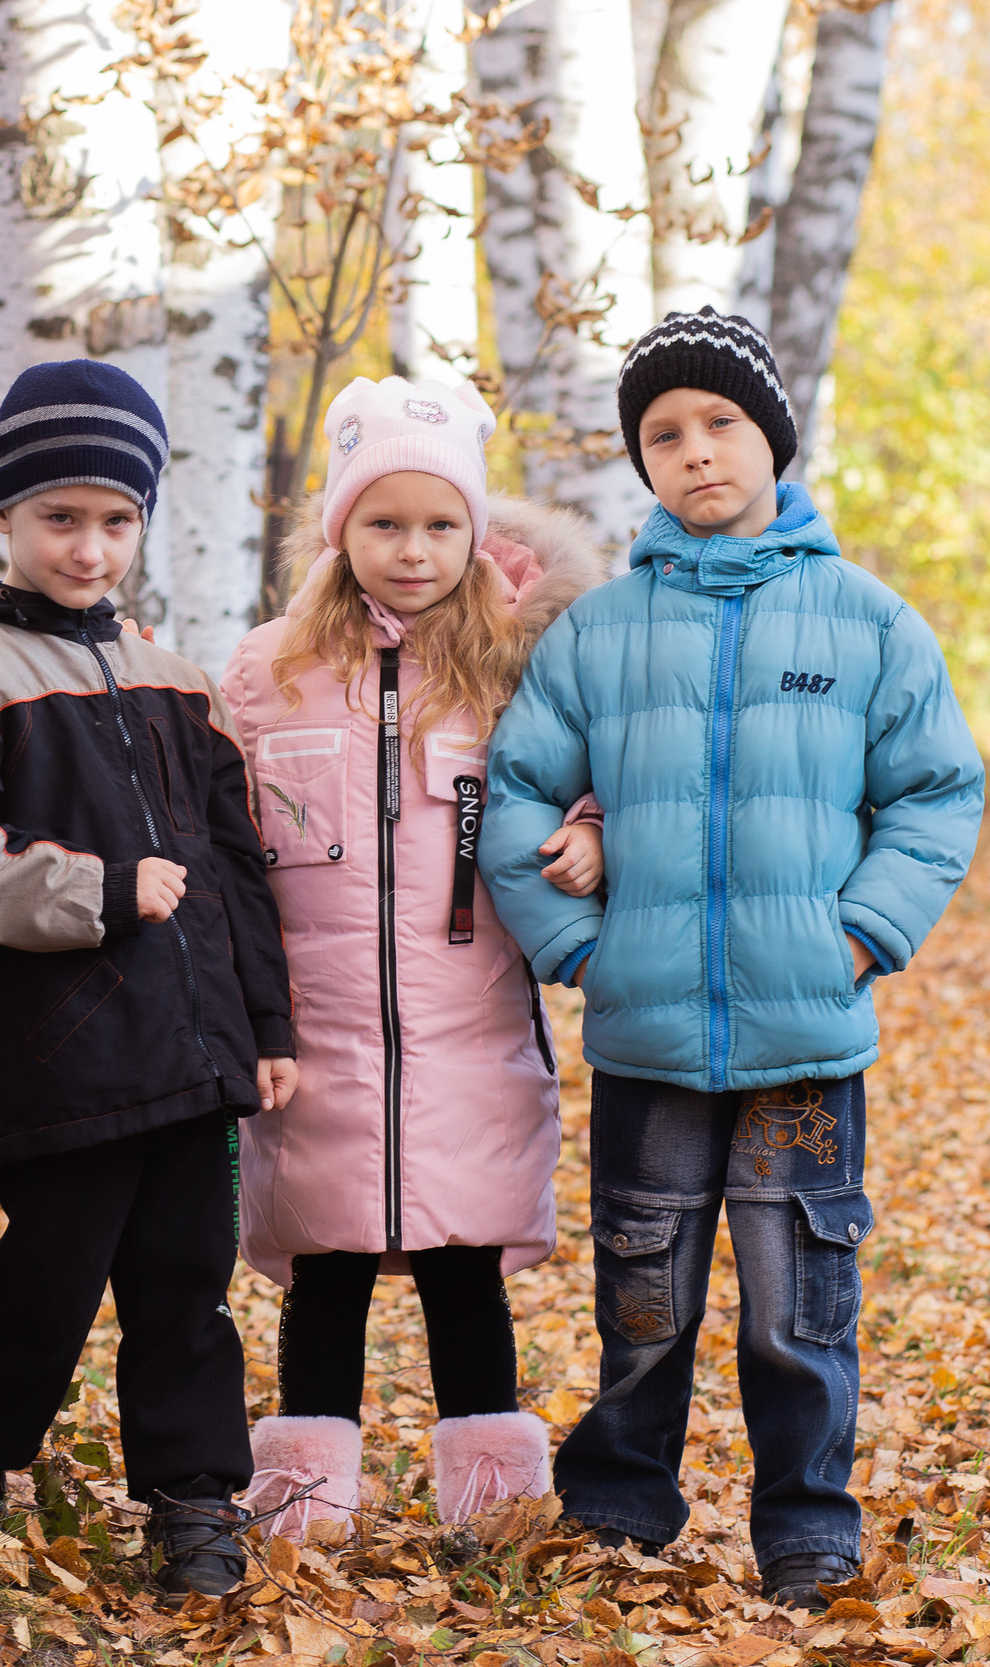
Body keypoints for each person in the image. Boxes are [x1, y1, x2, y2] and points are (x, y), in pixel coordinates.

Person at [481, 307, 985, 1607]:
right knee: (645, 1290)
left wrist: (863, 927)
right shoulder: (598, 633)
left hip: (805, 1035)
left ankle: (807, 1520)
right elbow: (516, 792)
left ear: (771, 437)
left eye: (719, 424)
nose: (696, 451)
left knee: (798, 1300)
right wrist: (580, 942)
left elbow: (935, 791)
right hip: (647, 1033)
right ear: (642, 463)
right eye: (665, 433)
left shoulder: (867, 622)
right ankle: (621, 1503)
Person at [0, 358, 298, 1599]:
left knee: (187, 1289)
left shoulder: (173, 675)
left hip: (193, 1049)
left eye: (117, 521)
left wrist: (262, 1021)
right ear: (2, 517)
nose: (90, 546)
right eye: (60, 517)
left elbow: (234, 863)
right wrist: (99, 894)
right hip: (56, 1046)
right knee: (48, 1277)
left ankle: (194, 1504)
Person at [217, 376, 609, 1539]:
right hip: (315, 1032)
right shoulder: (267, 671)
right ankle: (302, 1505)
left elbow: (586, 772)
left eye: (441, 524)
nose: (413, 549)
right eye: (384, 522)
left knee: (462, 1266)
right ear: (341, 531)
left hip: (468, 1028)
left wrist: (588, 826)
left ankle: (495, 1508)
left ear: (477, 532)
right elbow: (225, 832)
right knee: (323, 1266)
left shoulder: (514, 669)